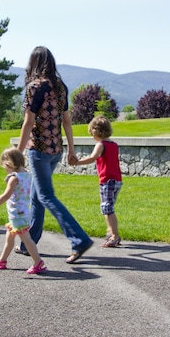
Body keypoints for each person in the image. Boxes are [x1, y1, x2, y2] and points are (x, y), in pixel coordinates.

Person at [16, 46, 94, 264]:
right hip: (56, 151)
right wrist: (71, 149)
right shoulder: (61, 86)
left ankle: (79, 239)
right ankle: (27, 244)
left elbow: (28, 122)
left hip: (39, 150)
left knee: (46, 196)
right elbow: (67, 120)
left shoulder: (34, 87)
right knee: (37, 196)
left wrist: (17, 153)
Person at [0, 147, 46, 274]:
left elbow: (5, 195)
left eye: (5, 167)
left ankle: (38, 262)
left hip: (17, 214)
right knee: (10, 238)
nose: (5, 170)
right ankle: (2, 260)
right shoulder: (26, 174)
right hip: (21, 212)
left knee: (26, 239)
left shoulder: (14, 178)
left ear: (9, 163)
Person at [73, 116, 123, 247]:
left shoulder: (101, 145)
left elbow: (92, 157)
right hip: (117, 180)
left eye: (92, 133)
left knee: (107, 209)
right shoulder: (114, 144)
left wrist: (77, 162)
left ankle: (114, 236)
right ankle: (111, 232)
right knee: (109, 208)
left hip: (107, 181)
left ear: (97, 131)